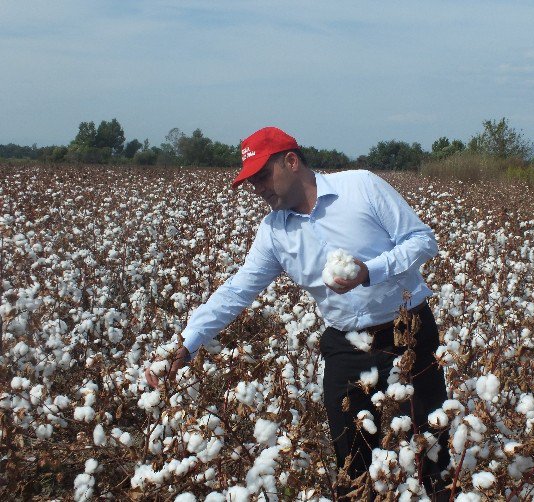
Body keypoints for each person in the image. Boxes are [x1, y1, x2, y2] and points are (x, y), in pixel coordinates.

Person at [145, 126, 450, 498]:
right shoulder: (274, 232)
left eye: (262, 176)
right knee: (352, 464)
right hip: (347, 346)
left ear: (291, 162)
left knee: (430, 451)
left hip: (411, 331)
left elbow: (422, 241)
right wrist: (186, 344)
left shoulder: (362, 187)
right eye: (251, 181)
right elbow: (237, 290)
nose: (258, 188)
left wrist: (370, 271)